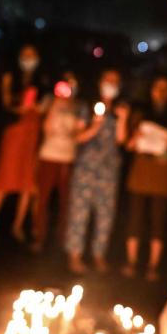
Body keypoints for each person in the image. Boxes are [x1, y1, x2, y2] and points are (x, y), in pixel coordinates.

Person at [65, 69, 129, 275]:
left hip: (109, 172)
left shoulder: (120, 111)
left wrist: (123, 120)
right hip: (86, 169)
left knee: (105, 214)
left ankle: (99, 255)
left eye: (115, 80)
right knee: (79, 212)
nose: (111, 83)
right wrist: (95, 125)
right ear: (100, 81)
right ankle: (74, 256)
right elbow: (78, 137)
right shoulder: (87, 108)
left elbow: (121, 141)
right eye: (107, 79)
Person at [123, 75, 167, 281]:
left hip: (161, 169)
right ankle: (131, 262)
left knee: (158, 218)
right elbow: (128, 145)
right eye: (158, 87)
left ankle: (152, 266)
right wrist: (136, 137)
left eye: (166, 88)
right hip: (141, 165)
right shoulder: (141, 114)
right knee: (135, 215)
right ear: (151, 90)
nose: (161, 92)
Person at [0, 44, 43, 241]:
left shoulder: (42, 80)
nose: (29, 58)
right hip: (14, 130)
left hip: (31, 131)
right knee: (5, 175)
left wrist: (37, 106)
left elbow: (45, 106)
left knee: (27, 179)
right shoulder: (10, 77)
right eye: (25, 54)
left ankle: (17, 225)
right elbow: (4, 102)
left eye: (32, 54)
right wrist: (17, 105)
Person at [32, 71, 81, 253]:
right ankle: (39, 236)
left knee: (65, 201)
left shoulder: (77, 107)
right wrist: (54, 105)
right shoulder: (50, 102)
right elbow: (47, 130)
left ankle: (62, 239)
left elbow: (77, 133)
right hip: (49, 155)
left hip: (67, 158)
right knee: (42, 199)